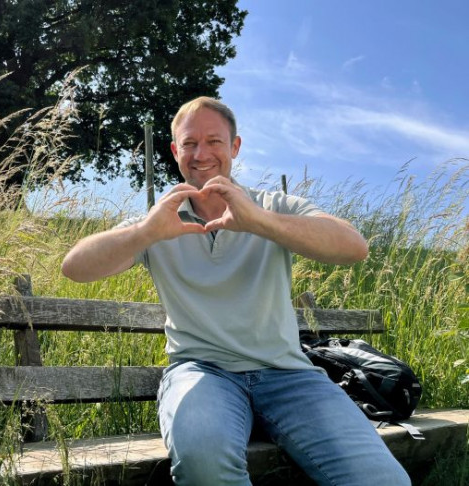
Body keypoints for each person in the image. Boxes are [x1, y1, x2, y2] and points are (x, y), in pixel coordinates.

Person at [61, 96, 411, 485]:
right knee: (204, 463)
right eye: (190, 143)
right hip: (201, 372)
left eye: (214, 141)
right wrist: (145, 232)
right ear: (175, 151)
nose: (201, 154)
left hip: (289, 374)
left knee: (384, 480)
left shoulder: (272, 205)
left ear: (235, 147)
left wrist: (258, 221)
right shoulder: (159, 220)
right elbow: (75, 267)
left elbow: (353, 247)